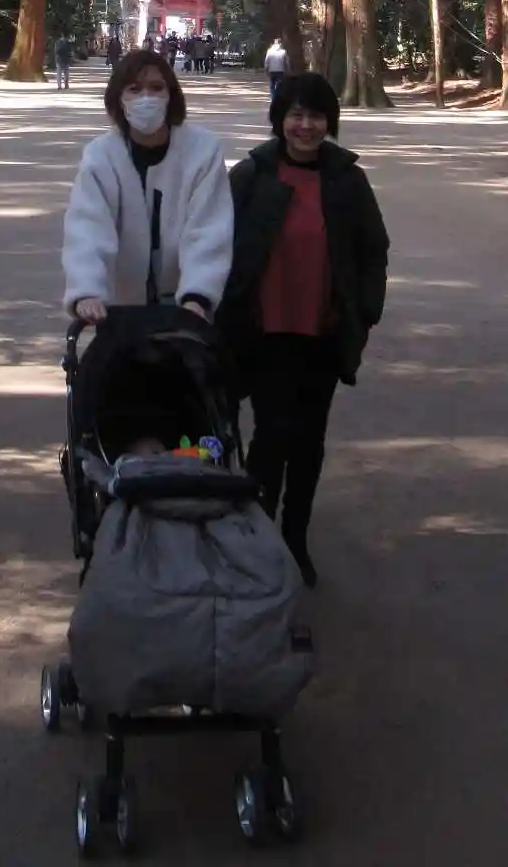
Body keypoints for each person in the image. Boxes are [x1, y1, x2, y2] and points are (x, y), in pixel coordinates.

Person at [220, 71, 389, 589]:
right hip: (264, 331)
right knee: (271, 435)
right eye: (296, 114)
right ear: (280, 120)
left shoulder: (346, 180)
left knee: (309, 439)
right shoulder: (251, 175)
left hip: (323, 331)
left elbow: (373, 250)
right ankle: (259, 541)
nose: (306, 126)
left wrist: (365, 310)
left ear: (328, 121)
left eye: (316, 115)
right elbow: (216, 244)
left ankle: (295, 536)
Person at [62, 48, 234, 327]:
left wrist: (198, 296)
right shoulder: (101, 155)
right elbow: (88, 227)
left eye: (156, 88)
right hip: (123, 306)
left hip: (184, 305)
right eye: (134, 89)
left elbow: (209, 228)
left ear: (170, 95)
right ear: (119, 99)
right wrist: (87, 290)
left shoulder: (202, 150)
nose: (146, 98)